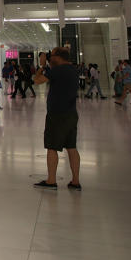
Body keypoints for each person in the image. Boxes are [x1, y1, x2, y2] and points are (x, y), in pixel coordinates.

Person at [33, 47, 81, 190]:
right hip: (71, 113)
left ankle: (51, 180)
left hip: (57, 114)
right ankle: (75, 181)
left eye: (51, 56)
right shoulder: (73, 69)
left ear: (58, 57)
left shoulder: (57, 70)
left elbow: (37, 80)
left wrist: (42, 67)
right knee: (72, 147)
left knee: (52, 146)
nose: (49, 58)